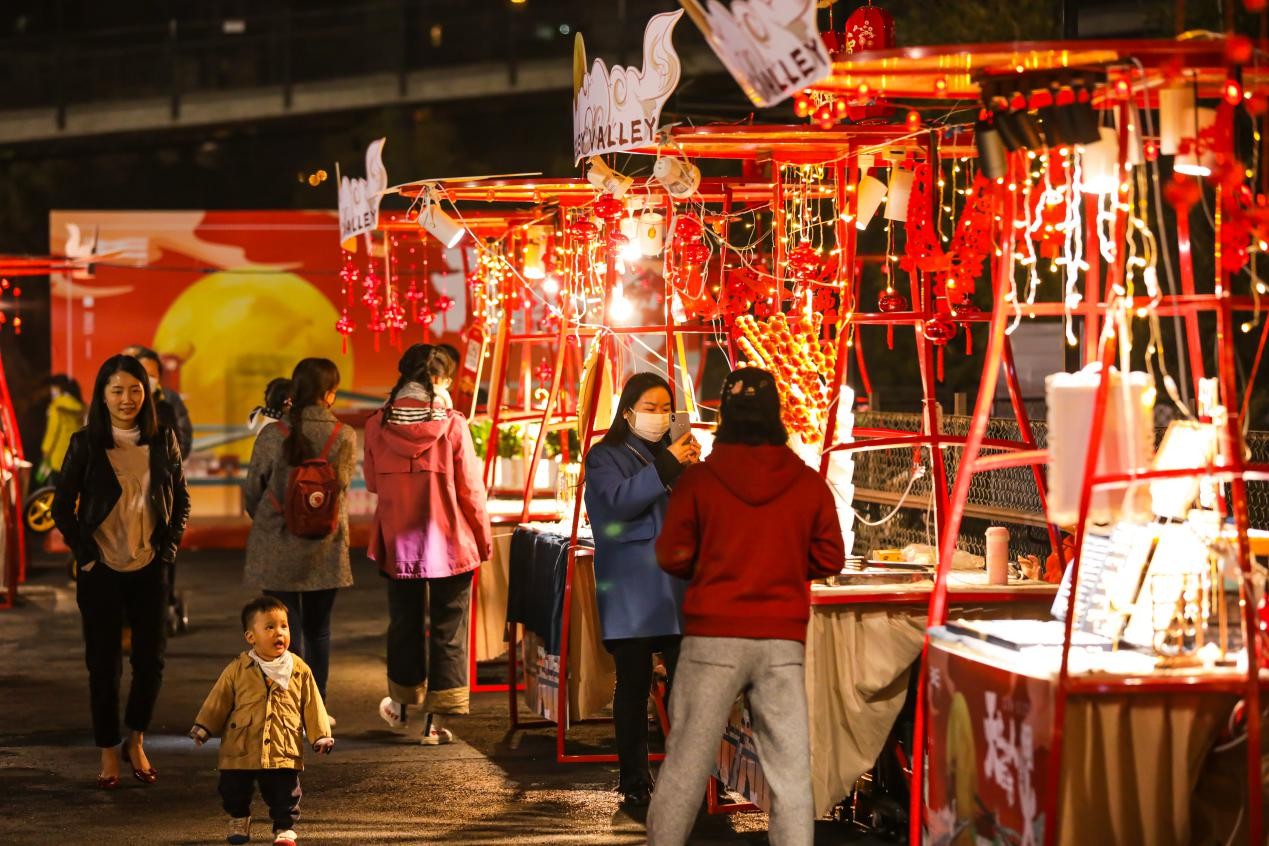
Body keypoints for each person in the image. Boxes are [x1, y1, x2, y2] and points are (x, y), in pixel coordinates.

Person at [646, 368, 844, 846]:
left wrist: (712, 564)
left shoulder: (700, 482)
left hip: (711, 638)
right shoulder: (805, 482)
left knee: (686, 764)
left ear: (726, 417)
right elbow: (830, 556)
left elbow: (670, 554)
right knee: (791, 773)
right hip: (781, 640)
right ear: (774, 415)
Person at [50, 354, 191, 789]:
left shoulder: (162, 439)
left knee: (151, 664)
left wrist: (166, 550)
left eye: (134, 390)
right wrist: (86, 554)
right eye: (117, 391)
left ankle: (137, 739)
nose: (127, 399)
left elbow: (180, 501)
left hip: (150, 568)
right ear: (103, 395)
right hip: (102, 571)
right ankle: (109, 749)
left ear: (146, 394)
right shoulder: (85, 443)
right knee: (104, 666)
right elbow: (61, 507)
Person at [365, 344, 492, 745]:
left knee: (403, 623)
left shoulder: (376, 425)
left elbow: (371, 482)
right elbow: (471, 490)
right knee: (448, 628)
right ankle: (435, 724)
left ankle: (402, 705)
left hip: (397, 541)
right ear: (438, 381)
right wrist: (484, 541)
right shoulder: (452, 425)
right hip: (449, 542)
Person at [582, 371, 699, 806]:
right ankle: (635, 779)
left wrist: (691, 471)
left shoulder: (677, 455)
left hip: (675, 589)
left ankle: (696, 774)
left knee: (688, 685)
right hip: (631, 590)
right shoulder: (605, 456)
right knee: (633, 686)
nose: (659, 416)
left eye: (666, 409)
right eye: (650, 408)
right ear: (628, 410)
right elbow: (617, 504)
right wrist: (669, 464)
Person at [243, 358, 355, 709]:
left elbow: (253, 490)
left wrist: (266, 518)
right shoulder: (344, 436)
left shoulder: (272, 434)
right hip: (325, 545)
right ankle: (317, 707)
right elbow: (342, 487)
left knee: (281, 632)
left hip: (277, 543)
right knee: (318, 630)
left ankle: (288, 705)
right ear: (329, 394)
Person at [191, 596, 334, 846]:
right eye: (269, 627)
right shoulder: (237, 669)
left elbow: (313, 704)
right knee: (233, 789)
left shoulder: (299, 669)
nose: (279, 633)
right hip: (240, 745)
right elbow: (219, 699)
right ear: (250, 637)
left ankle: (283, 827)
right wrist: (204, 726)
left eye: (284, 626)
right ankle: (239, 817)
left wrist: (320, 734)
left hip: (282, 745)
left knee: (284, 790)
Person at [125, 345, 193, 460]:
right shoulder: (122, 401)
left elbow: (182, 440)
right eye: (143, 374)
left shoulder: (168, 403)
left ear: (159, 377)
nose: (147, 379)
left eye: (152, 376)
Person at [39, 373, 84, 484]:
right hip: (74, 456)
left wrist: (46, 450)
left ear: (58, 387)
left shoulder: (57, 406)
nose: (51, 391)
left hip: (57, 459)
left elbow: (53, 431)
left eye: (52, 387)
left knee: (53, 491)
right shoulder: (79, 406)